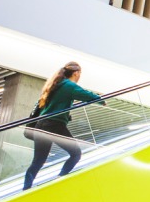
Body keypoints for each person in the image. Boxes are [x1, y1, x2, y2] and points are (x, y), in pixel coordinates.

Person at [24, 61, 103, 190]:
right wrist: (102, 101)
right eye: (80, 74)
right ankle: (60, 179)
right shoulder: (69, 85)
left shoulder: (55, 84)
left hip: (41, 125)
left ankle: (26, 188)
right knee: (75, 154)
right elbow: (87, 95)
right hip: (55, 125)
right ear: (76, 73)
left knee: (38, 161)